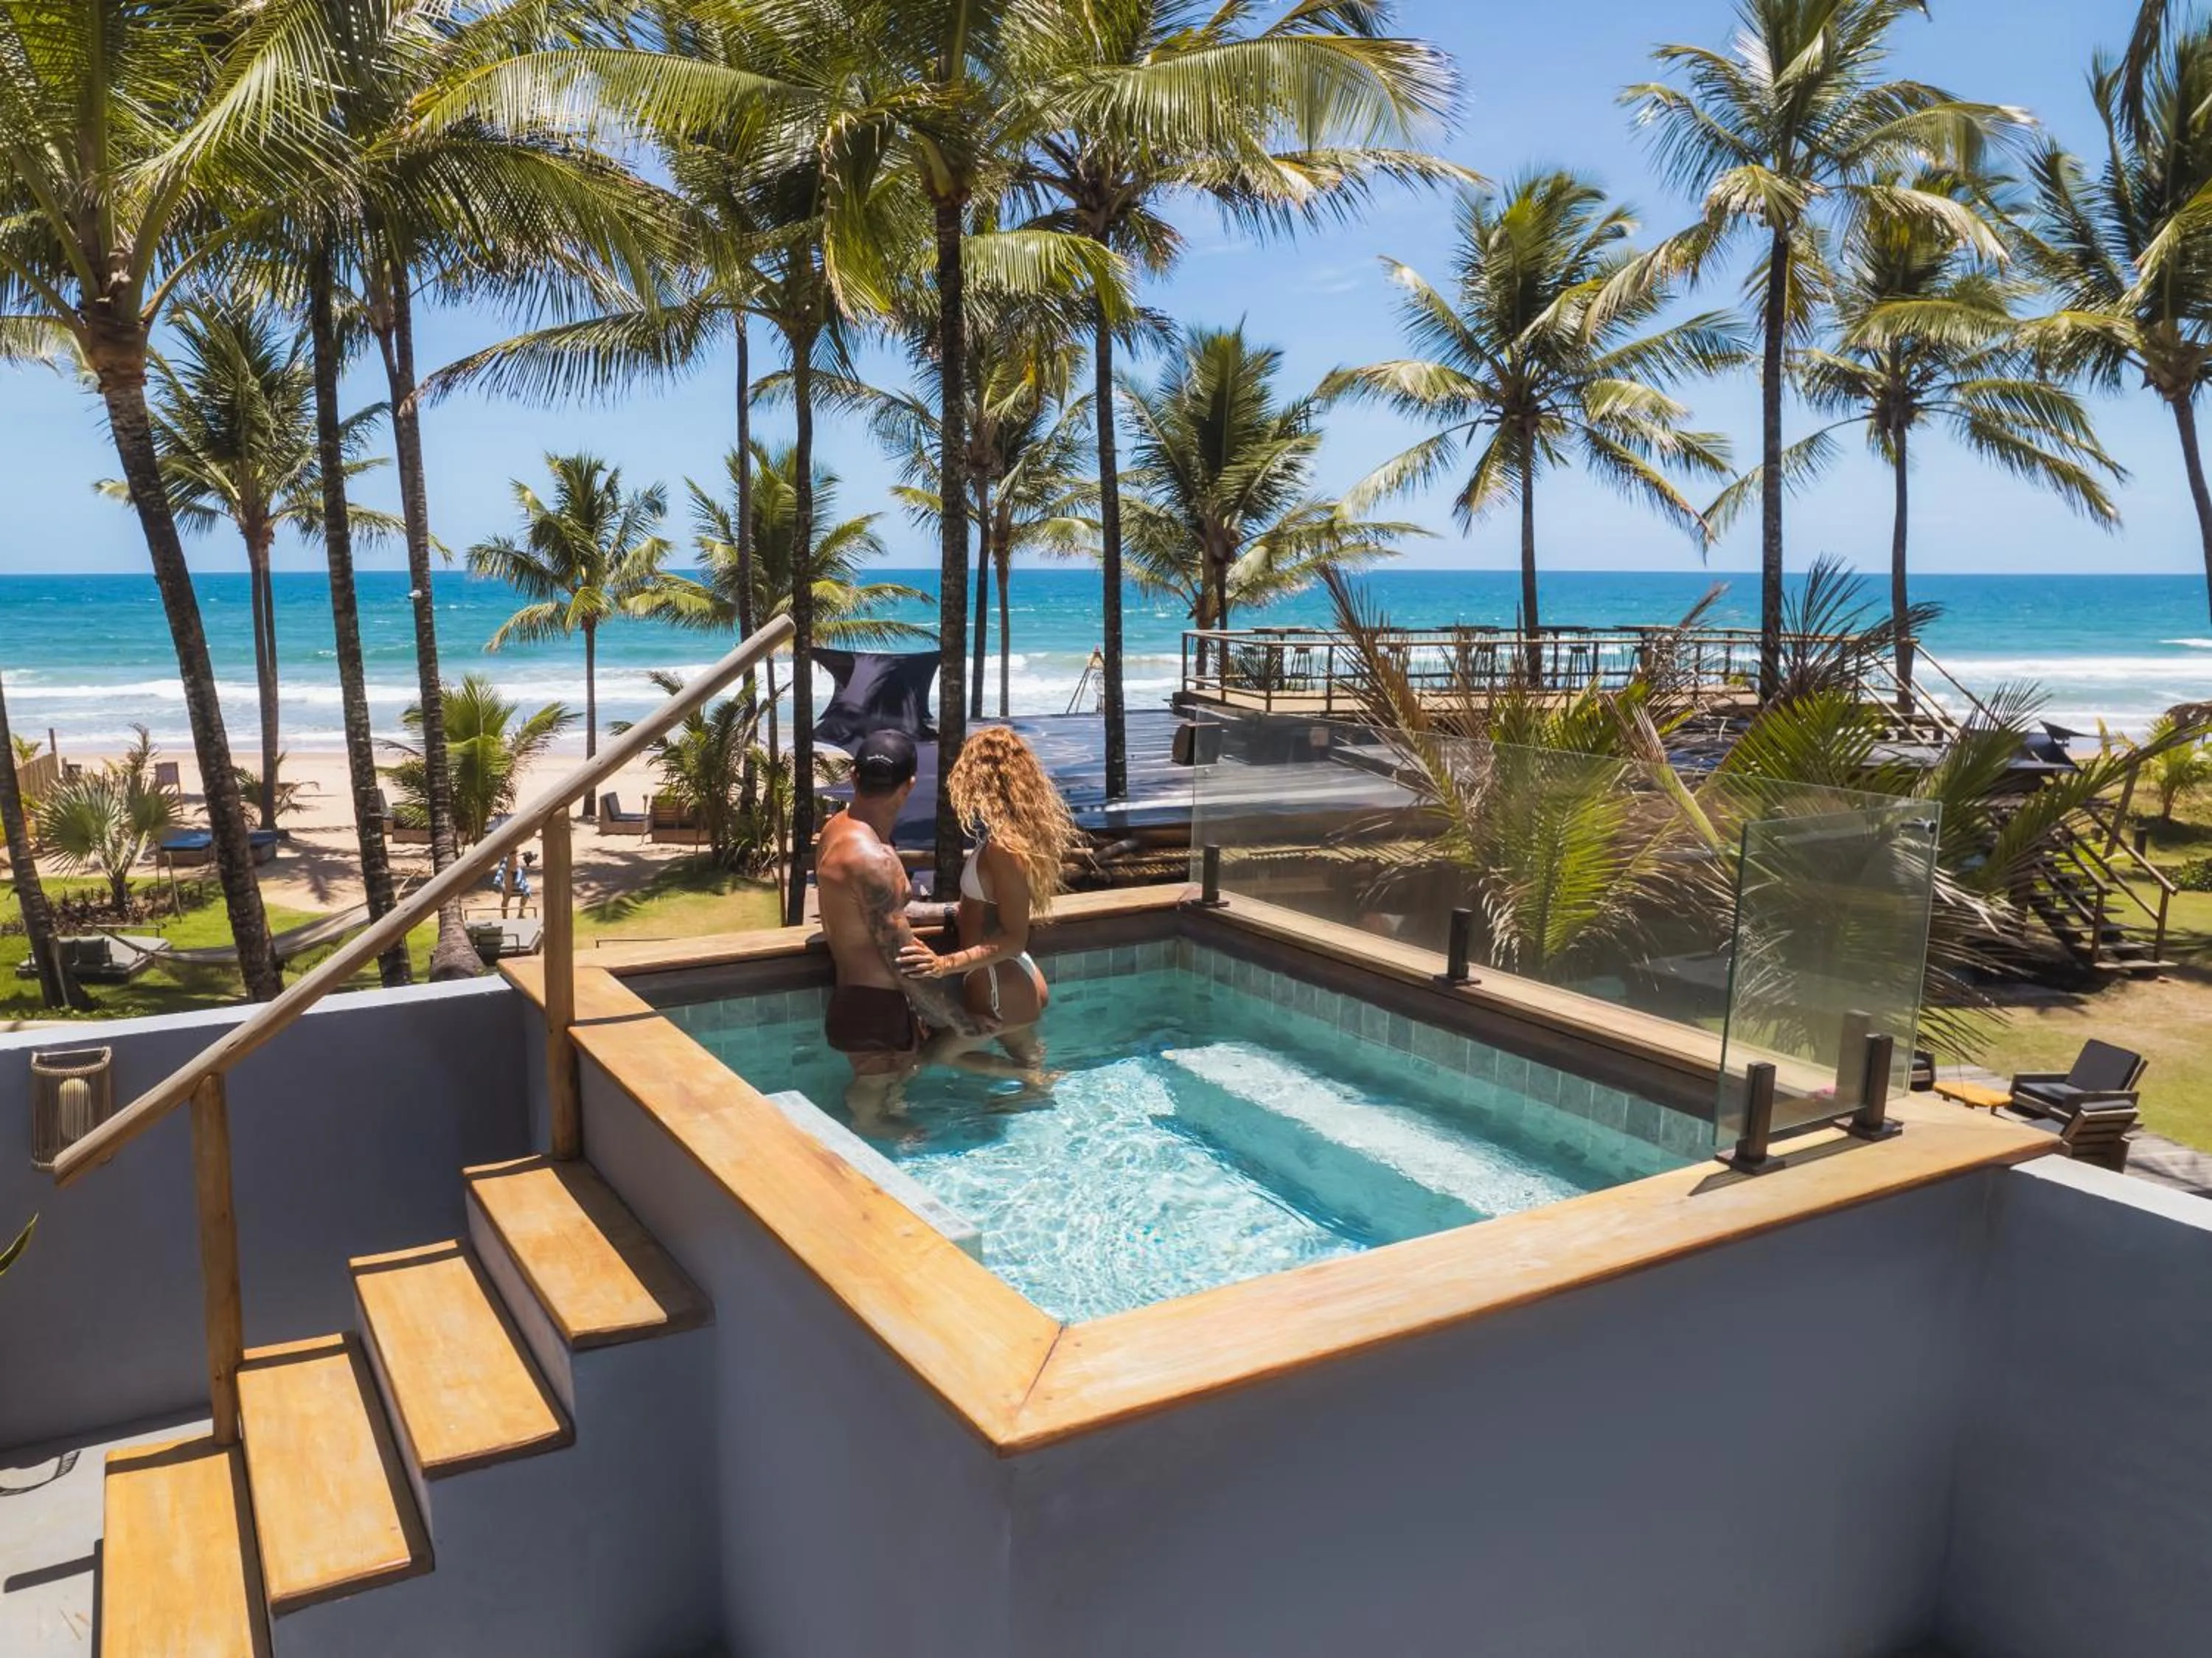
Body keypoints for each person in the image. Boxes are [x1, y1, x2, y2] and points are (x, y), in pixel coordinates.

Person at [815, 730, 993, 1131]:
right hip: (876, 1009)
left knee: (891, 1095)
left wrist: (950, 909)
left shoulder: (837, 830)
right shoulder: (875, 859)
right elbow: (901, 957)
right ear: (910, 784)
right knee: (872, 1099)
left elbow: (878, 911)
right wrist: (957, 1017)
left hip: (856, 999)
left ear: (853, 776)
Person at [897, 725, 1079, 1084]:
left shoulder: (1004, 850)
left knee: (935, 1055)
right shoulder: (1012, 842)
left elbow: (1014, 938)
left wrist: (943, 965)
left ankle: (1033, 1083)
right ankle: (1035, 1089)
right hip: (1011, 980)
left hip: (1001, 985)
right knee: (1030, 1063)